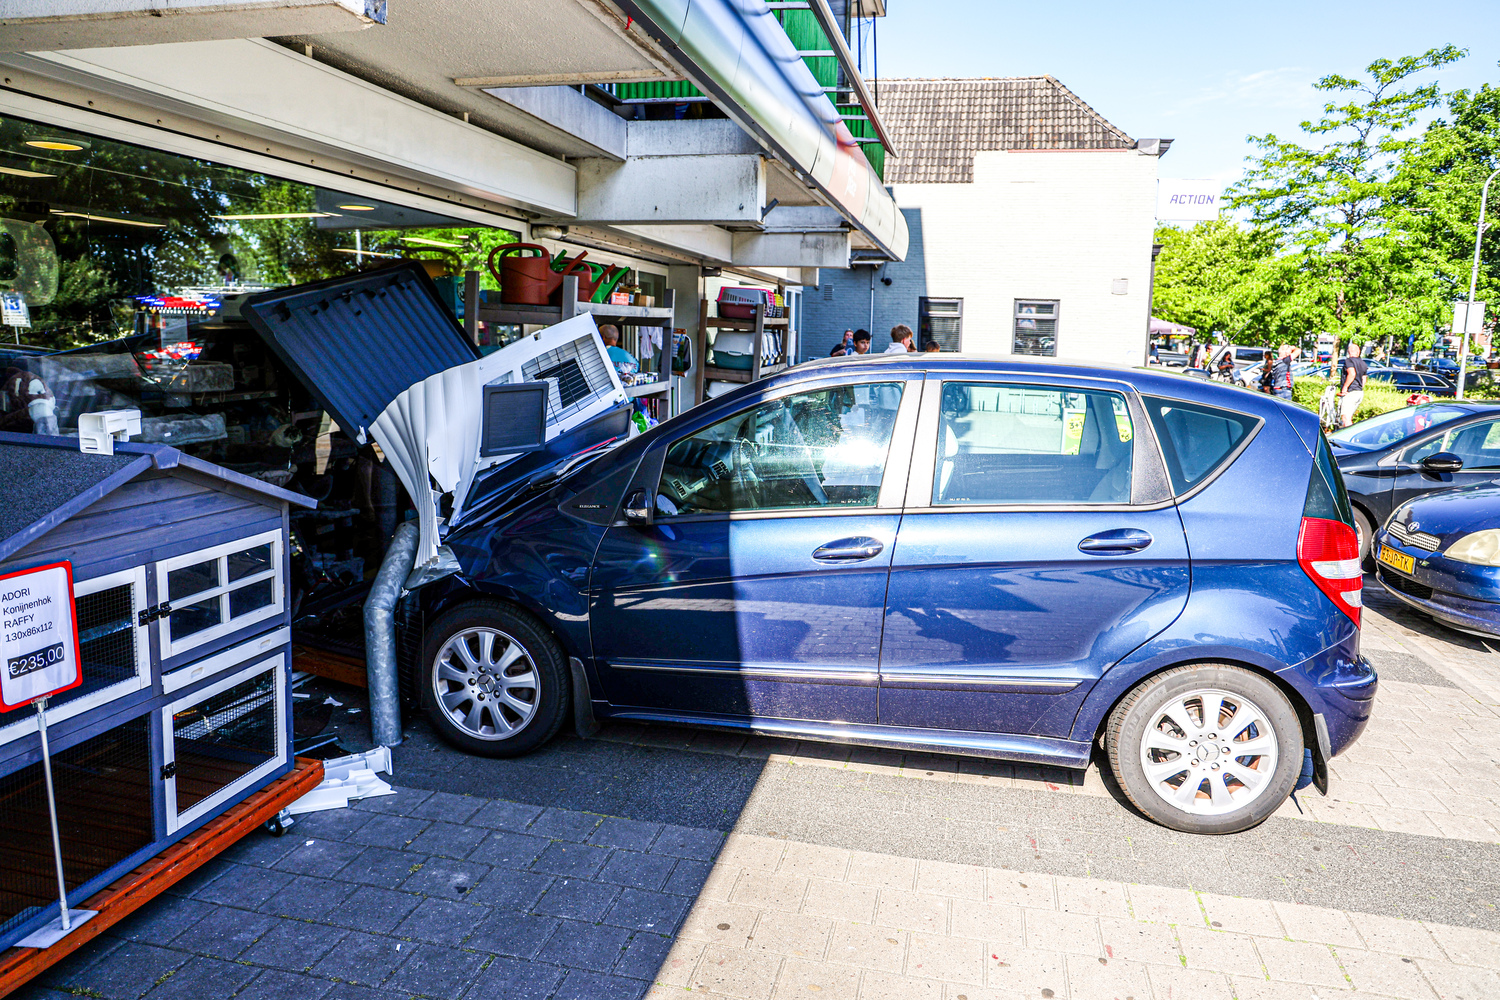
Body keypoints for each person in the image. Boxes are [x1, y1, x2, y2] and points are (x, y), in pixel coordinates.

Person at [1338, 341, 1368, 427]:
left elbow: (1352, 374)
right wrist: (1359, 387)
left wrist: (1345, 388)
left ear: (1348, 352)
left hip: (1351, 392)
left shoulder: (1349, 361)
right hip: (1359, 393)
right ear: (1358, 352)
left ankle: (1348, 439)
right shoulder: (1363, 363)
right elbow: (1364, 379)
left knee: (1345, 418)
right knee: (1349, 417)